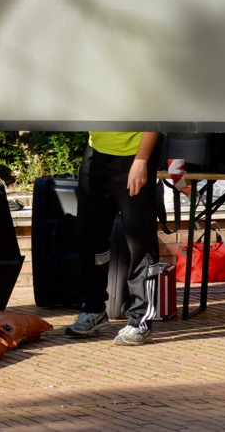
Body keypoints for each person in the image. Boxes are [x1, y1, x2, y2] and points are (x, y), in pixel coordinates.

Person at [65, 131, 161, 346]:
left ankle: (140, 321)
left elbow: (155, 115)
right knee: (89, 235)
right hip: (96, 154)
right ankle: (93, 310)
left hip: (133, 156)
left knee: (139, 239)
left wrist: (141, 160)